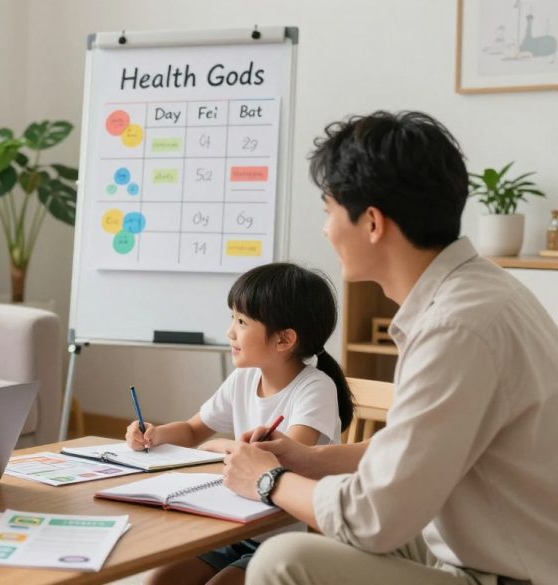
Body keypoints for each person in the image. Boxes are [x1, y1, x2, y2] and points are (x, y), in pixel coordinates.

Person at [222, 111, 558, 585]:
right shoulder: (480, 293)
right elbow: (413, 448)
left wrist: (268, 480)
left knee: (283, 561)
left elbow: (374, 518)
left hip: (507, 573)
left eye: (328, 212)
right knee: (318, 528)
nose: (325, 230)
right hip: (489, 540)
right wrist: (308, 460)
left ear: (373, 223)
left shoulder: (455, 327)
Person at [126, 262, 354, 585]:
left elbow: (284, 461)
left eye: (242, 321)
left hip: (286, 537)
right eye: (233, 318)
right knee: (156, 581)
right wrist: (155, 433)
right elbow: (193, 430)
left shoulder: (316, 388)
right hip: (236, 525)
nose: (230, 331)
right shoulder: (244, 379)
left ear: (284, 340)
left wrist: (218, 446)